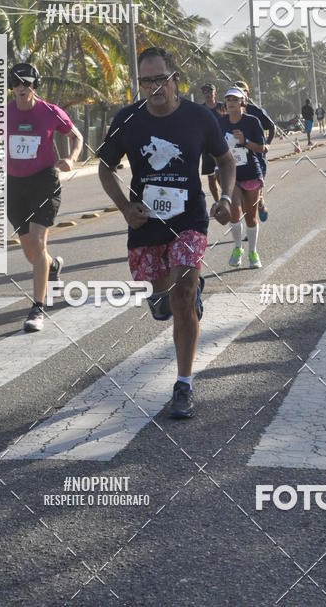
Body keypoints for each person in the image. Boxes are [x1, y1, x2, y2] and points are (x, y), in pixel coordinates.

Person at [98, 47, 235, 420]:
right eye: (146, 81)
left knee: (182, 297)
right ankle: (178, 295)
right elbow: (105, 168)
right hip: (146, 224)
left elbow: (226, 161)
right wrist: (125, 208)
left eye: (161, 79)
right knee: (163, 304)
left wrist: (225, 198)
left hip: (189, 219)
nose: (154, 87)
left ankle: (183, 385)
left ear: (175, 79)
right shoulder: (128, 119)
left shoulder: (199, 118)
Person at [6, 63, 83, 333]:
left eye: (27, 83)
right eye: (17, 83)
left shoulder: (50, 112)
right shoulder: (3, 114)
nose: (22, 88)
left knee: (38, 242)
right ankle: (53, 266)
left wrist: (71, 158)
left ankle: (37, 308)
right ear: (11, 86)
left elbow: (76, 136)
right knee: (31, 253)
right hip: (14, 185)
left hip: (43, 181)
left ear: (35, 85)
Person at [218, 87, 266, 269]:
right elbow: (215, 148)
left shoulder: (252, 122)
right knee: (234, 212)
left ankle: (253, 252)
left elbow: (262, 148)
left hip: (251, 173)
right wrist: (217, 165)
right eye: (228, 99)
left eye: (235, 99)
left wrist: (244, 142)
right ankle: (238, 248)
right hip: (231, 175)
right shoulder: (220, 123)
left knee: (251, 217)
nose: (231, 102)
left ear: (242, 102)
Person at [233, 80, 275, 222]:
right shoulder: (230, 111)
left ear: (247, 95)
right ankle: (249, 219)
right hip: (238, 159)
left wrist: (267, 145)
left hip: (257, 158)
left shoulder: (256, 111)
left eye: (241, 91)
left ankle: (260, 204)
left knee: (254, 192)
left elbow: (272, 127)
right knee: (242, 195)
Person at [200, 82, 221, 204]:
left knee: (220, 175)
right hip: (207, 149)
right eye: (205, 92)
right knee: (211, 179)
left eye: (210, 91)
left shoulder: (222, 107)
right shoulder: (201, 110)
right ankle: (218, 202)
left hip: (222, 147)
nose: (207, 94)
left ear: (215, 93)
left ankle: (226, 199)